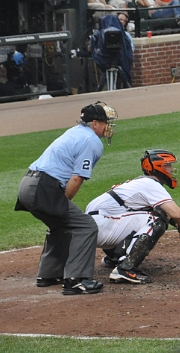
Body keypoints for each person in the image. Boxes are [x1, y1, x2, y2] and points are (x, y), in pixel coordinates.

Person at [15, 102, 118, 295]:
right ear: (94, 123)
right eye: (105, 122)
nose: (108, 126)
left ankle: (48, 274)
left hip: (27, 185)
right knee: (85, 226)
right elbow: (77, 178)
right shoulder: (91, 141)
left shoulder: (75, 131)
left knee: (61, 225)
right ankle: (76, 280)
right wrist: (63, 202)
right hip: (44, 188)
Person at [85, 150, 180, 284]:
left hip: (94, 227)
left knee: (153, 213)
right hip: (101, 227)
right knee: (156, 220)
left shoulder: (140, 182)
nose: (172, 169)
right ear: (158, 167)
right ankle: (125, 268)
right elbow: (176, 213)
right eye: (168, 166)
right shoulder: (150, 184)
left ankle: (115, 257)